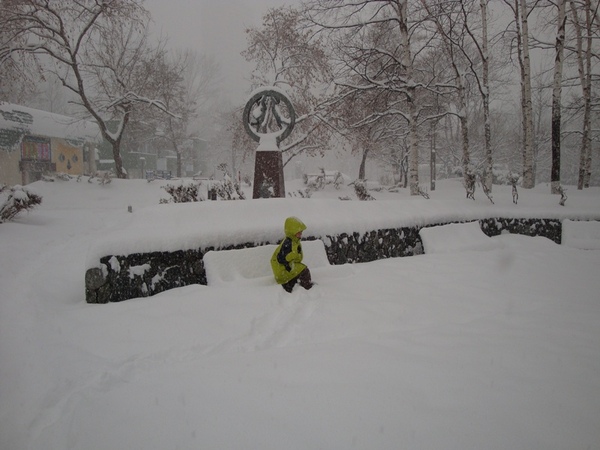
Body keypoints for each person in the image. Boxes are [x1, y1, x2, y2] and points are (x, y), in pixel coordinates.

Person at [271, 216, 314, 293]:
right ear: (292, 231)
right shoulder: (288, 243)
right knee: (304, 270)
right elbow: (281, 258)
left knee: (299, 269)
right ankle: (306, 287)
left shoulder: (294, 241)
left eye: (301, 232)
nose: (301, 233)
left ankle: (291, 283)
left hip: (285, 268)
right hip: (282, 270)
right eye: (299, 232)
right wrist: (291, 257)